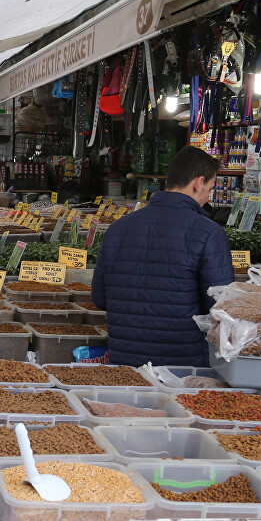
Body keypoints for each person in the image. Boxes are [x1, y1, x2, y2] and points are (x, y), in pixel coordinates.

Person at [92, 146, 233, 367]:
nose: (208, 196)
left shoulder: (117, 229)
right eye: (211, 188)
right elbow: (220, 306)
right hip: (182, 363)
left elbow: (100, 298)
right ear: (199, 182)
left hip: (124, 361)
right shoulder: (208, 232)